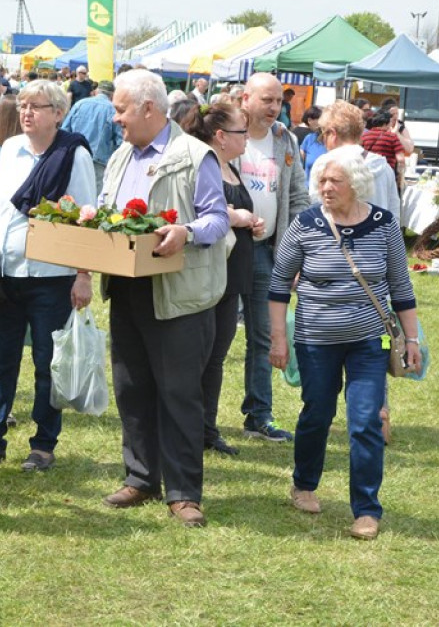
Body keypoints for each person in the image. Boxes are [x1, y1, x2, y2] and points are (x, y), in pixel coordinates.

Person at [100, 69, 230, 528]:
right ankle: (140, 477)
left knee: (178, 394)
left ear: (148, 108)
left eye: (120, 109)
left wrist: (186, 231)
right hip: (127, 285)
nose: (115, 118)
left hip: (180, 294)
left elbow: (218, 221)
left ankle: (183, 492)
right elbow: (108, 211)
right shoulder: (120, 157)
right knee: (131, 387)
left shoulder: (196, 156)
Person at [269, 149, 421, 541]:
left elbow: (401, 286)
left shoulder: (384, 224)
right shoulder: (305, 223)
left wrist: (413, 338)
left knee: (366, 421)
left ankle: (367, 509)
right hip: (316, 339)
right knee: (317, 413)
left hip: (370, 339)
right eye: (321, 180)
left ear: (356, 183)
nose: (325, 187)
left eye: (334, 181)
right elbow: (278, 284)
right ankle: (304, 484)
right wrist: (279, 339)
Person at [0, 79, 95, 472]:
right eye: (23, 106)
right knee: (1, 359)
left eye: (37, 106)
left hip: (53, 276)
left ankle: (43, 444)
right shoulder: (13, 148)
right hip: (9, 270)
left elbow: (86, 218)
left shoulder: (74, 154)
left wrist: (83, 275)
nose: (27, 112)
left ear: (58, 113)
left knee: (47, 363)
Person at [178, 101, 262, 457]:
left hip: (233, 279)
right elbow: (200, 211)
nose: (247, 138)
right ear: (221, 136)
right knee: (197, 357)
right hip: (208, 277)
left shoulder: (231, 167)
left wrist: (251, 222)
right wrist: (236, 216)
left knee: (215, 358)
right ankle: (187, 428)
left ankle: (207, 430)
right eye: (242, 132)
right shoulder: (203, 165)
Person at [235, 72, 309, 442]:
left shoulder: (285, 139)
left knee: (263, 336)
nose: (273, 108)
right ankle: (198, 417)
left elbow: (297, 198)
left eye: (278, 101)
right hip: (225, 248)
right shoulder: (226, 132)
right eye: (266, 99)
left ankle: (258, 414)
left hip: (267, 251)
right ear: (244, 98)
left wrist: (294, 252)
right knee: (210, 336)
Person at [310, 101, 400, 218]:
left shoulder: (324, 164)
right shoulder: (384, 167)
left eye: (322, 134)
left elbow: (316, 210)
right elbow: (394, 214)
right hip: (378, 235)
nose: (322, 140)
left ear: (332, 133)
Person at [62, 79, 123, 192]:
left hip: (74, 155)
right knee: (94, 198)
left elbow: (64, 130)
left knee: (72, 194)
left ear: (96, 91)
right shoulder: (112, 110)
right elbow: (121, 141)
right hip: (99, 160)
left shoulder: (80, 104)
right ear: (112, 95)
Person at [361, 110, 406, 193]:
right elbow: (401, 160)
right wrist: (400, 177)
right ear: (385, 124)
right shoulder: (392, 137)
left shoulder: (364, 136)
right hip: (386, 175)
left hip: (367, 174)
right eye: (389, 123)